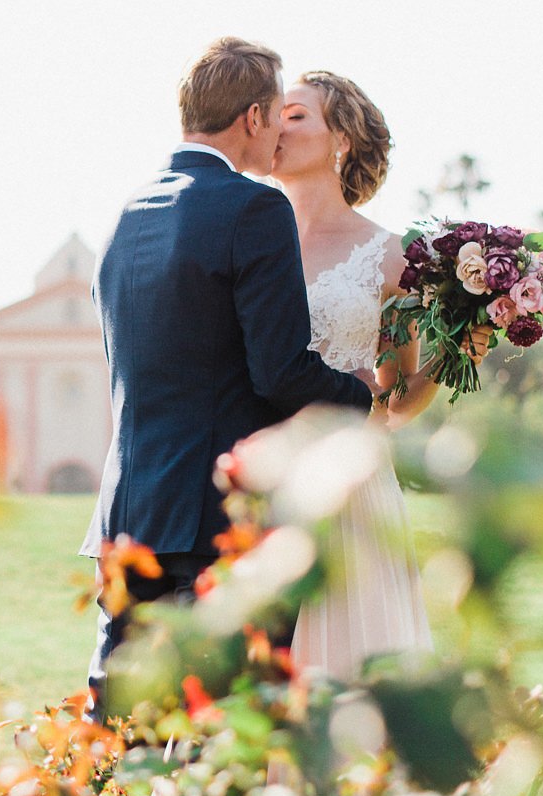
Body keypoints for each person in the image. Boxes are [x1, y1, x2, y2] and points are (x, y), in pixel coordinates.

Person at [83, 38, 375, 720]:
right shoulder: (253, 208)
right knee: (233, 736)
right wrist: (361, 391)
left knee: (125, 731)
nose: (279, 129)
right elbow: (280, 372)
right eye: (277, 113)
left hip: (129, 516)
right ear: (251, 117)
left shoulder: (128, 212)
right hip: (219, 524)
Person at [272, 70, 483, 678]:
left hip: (346, 490)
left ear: (341, 139)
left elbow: (392, 402)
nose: (276, 128)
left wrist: (454, 355)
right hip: (254, 472)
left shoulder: (389, 256)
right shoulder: (251, 240)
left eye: (296, 116)